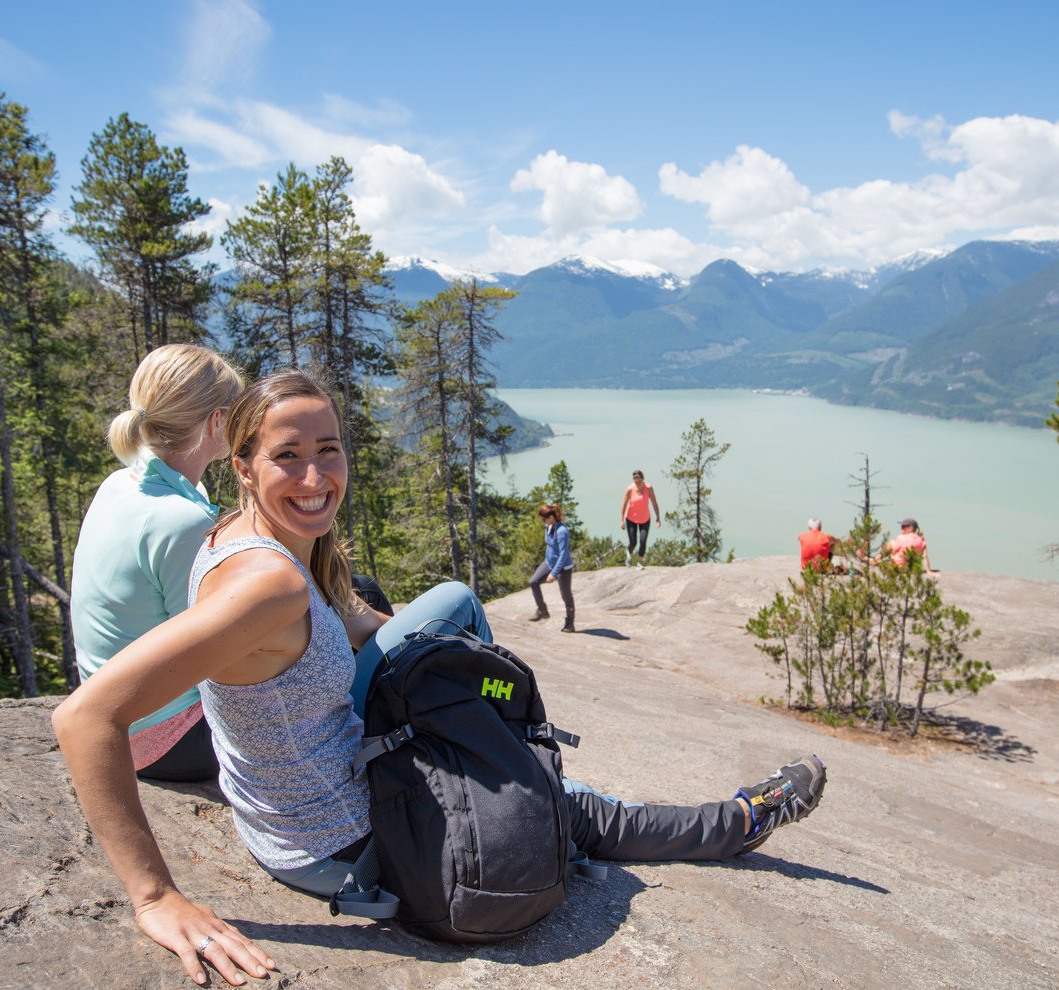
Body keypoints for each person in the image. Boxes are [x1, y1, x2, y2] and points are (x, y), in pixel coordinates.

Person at [54, 370, 825, 986]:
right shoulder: (267, 585)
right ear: (244, 464)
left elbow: (338, 622)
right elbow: (85, 719)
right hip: (343, 839)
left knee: (453, 605)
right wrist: (155, 898)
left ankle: (516, 756)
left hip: (291, 807)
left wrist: (401, 645)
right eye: (288, 456)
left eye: (329, 449)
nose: (315, 475)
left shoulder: (241, 532)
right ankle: (738, 821)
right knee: (574, 812)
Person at [69, 343, 244, 783]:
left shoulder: (120, 484)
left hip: (119, 715)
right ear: (216, 422)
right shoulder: (181, 522)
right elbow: (219, 655)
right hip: (166, 740)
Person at [528, 502, 576, 632]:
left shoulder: (562, 531)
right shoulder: (548, 527)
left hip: (563, 567)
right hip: (549, 562)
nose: (542, 521)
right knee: (533, 582)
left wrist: (553, 573)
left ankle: (570, 623)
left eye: (544, 519)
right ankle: (542, 610)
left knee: (566, 595)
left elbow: (563, 554)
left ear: (551, 517)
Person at [619, 469, 661, 568]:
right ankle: (628, 556)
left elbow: (654, 503)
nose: (637, 482)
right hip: (631, 519)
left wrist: (658, 518)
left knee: (643, 541)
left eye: (638, 480)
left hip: (645, 519)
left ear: (643, 479)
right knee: (633, 542)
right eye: (635, 480)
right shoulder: (630, 489)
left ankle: (639, 562)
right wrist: (621, 520)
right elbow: (624, 505)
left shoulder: (649, 488)